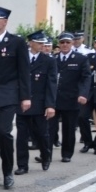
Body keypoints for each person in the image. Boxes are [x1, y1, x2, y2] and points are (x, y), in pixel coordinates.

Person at [0, 6, 31, 190]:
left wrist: (26, 97)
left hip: (8, 95)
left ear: (5, 22)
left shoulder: (16, 42)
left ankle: (8, 172)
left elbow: (24, 71)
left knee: (3, 132)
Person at [14, 31, 57, 174]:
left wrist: (50, 105)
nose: (42, 46)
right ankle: (22, 165)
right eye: (39, 43)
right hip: (22, 103)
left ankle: (46, 156)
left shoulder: (49, 61)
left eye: (43, 43)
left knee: (42, 134)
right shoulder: (21, 58)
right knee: (22, 136)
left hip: (39, 103)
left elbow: (51, 84)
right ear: (30, 42)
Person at [51, 32, 91, 162]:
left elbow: (86, 78)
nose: (65, 45)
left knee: (68, 129)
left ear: (72, 43)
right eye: (62, 42)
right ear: (59, 44)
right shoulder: (53, 59)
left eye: (67, 42)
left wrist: (83, 94)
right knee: (49, 128)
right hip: (54, 99)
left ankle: (67, 153)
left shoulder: (80, 59)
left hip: (72, 98)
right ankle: (46, 154)